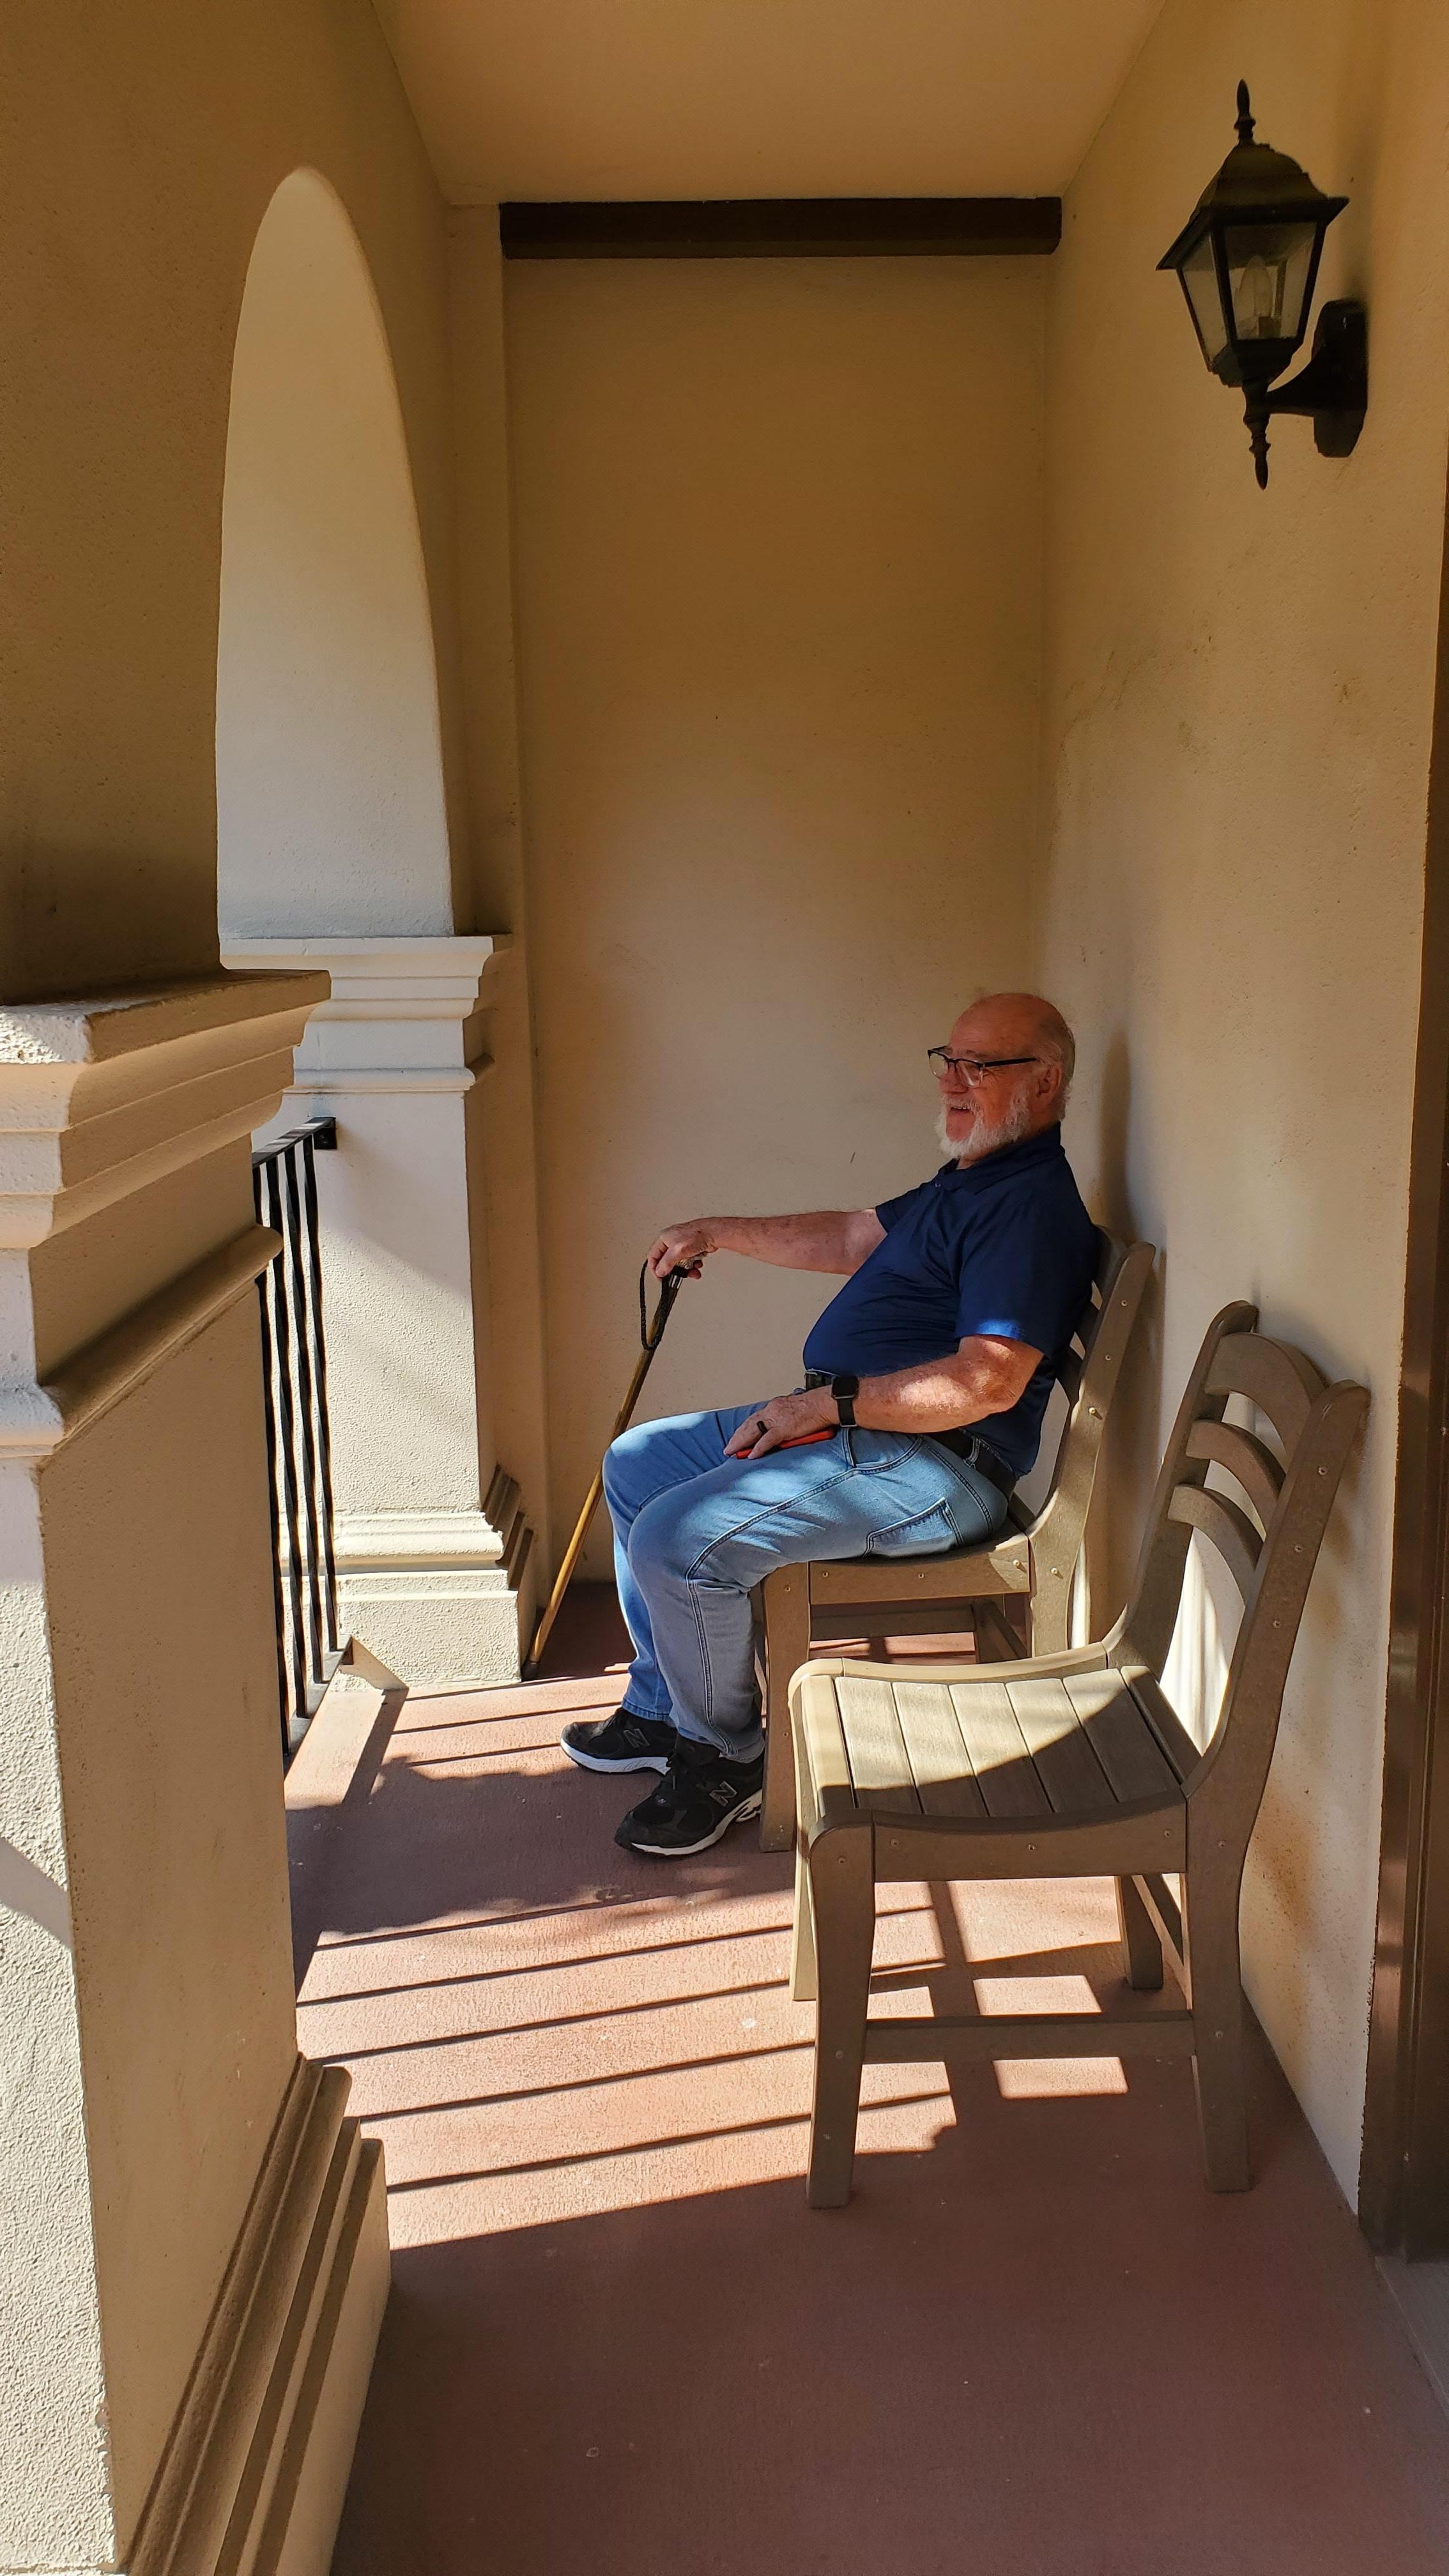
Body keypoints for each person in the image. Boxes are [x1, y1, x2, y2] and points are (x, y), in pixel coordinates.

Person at [562, 992, 1099, 1859]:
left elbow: (987, 1383)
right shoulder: (973, 1179)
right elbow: (855, 1236)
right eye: (948, 1060)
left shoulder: (1027, 1210)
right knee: (637, 1463)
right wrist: (716, 1232)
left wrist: (825, 1405)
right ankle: (664, 1710)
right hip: (862, 1434)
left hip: (932, 1467)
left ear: (1045, 1082)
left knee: (676, 1540)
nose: (952, 1083)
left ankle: (726, 1759)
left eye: (979, 1067)